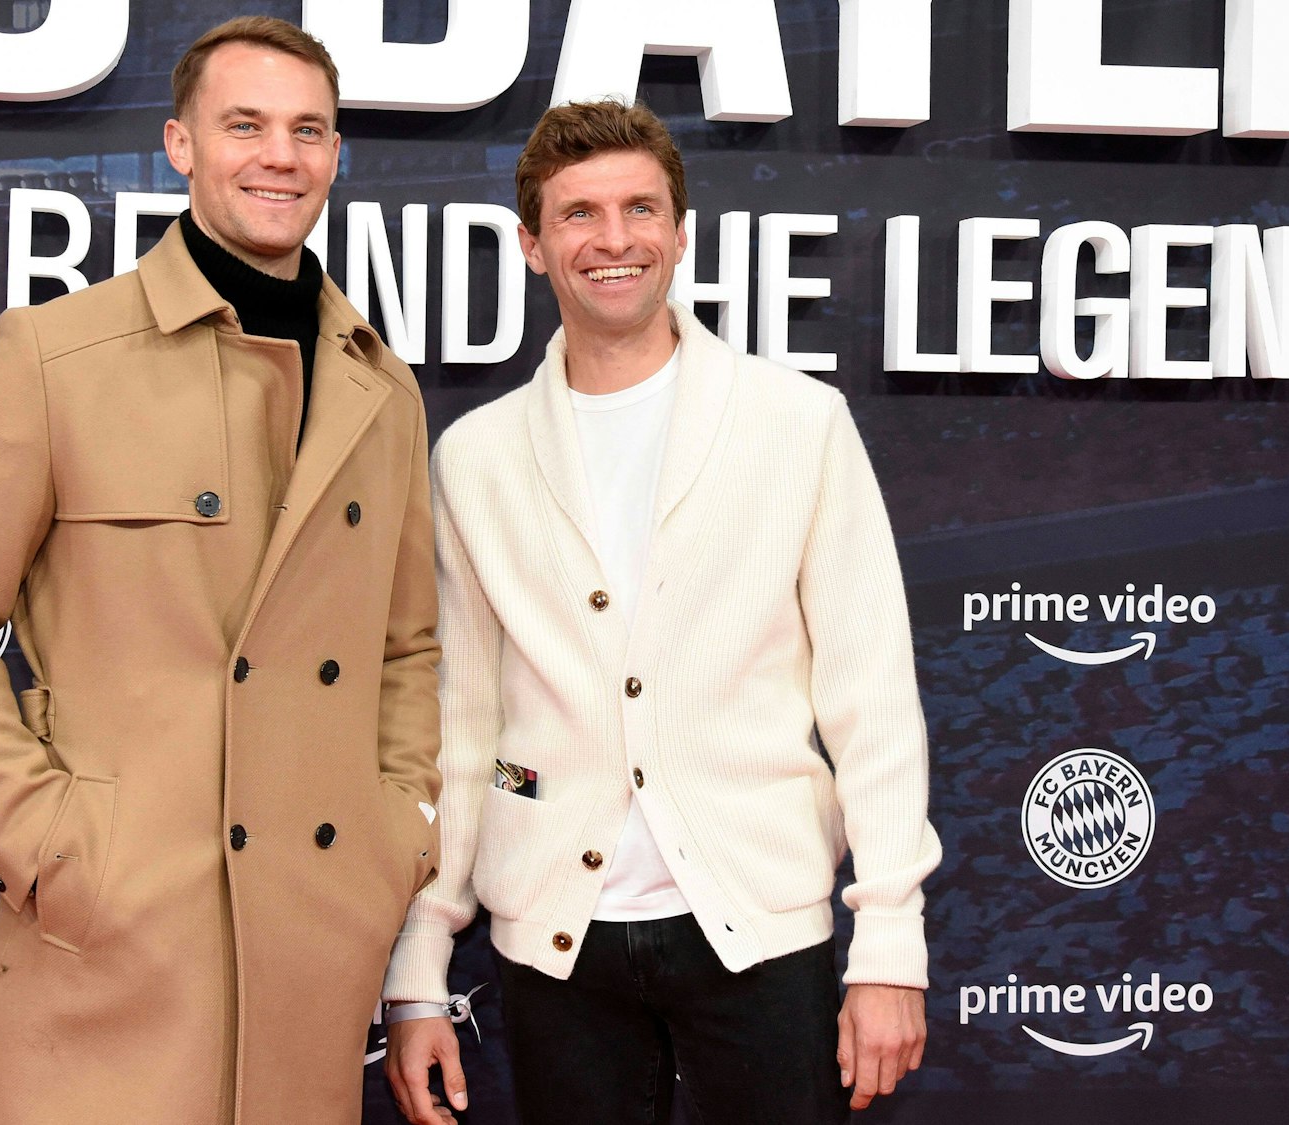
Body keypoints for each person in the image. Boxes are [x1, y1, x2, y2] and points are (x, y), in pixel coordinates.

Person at [0, 17, 442, 1125]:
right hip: (116, 944)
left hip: (312, 943)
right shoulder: (53, 356)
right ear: (180, 146)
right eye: (245, 126)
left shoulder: (383, 387)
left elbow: (403, 644)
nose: (278, 155)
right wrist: (49, 843)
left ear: (334, 156)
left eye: (306, 130)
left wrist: (394, 835)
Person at [382, 99, 942, 1125]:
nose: (611, 239)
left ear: (679, 233)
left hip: (761, 928)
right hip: (553, 944)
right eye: (578, 214)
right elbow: (474, 732)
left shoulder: (797, 424)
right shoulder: (476, 457)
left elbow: (865, 701)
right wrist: (424, 953)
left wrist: (890, 943)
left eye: (639, 208)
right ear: (532, 244)